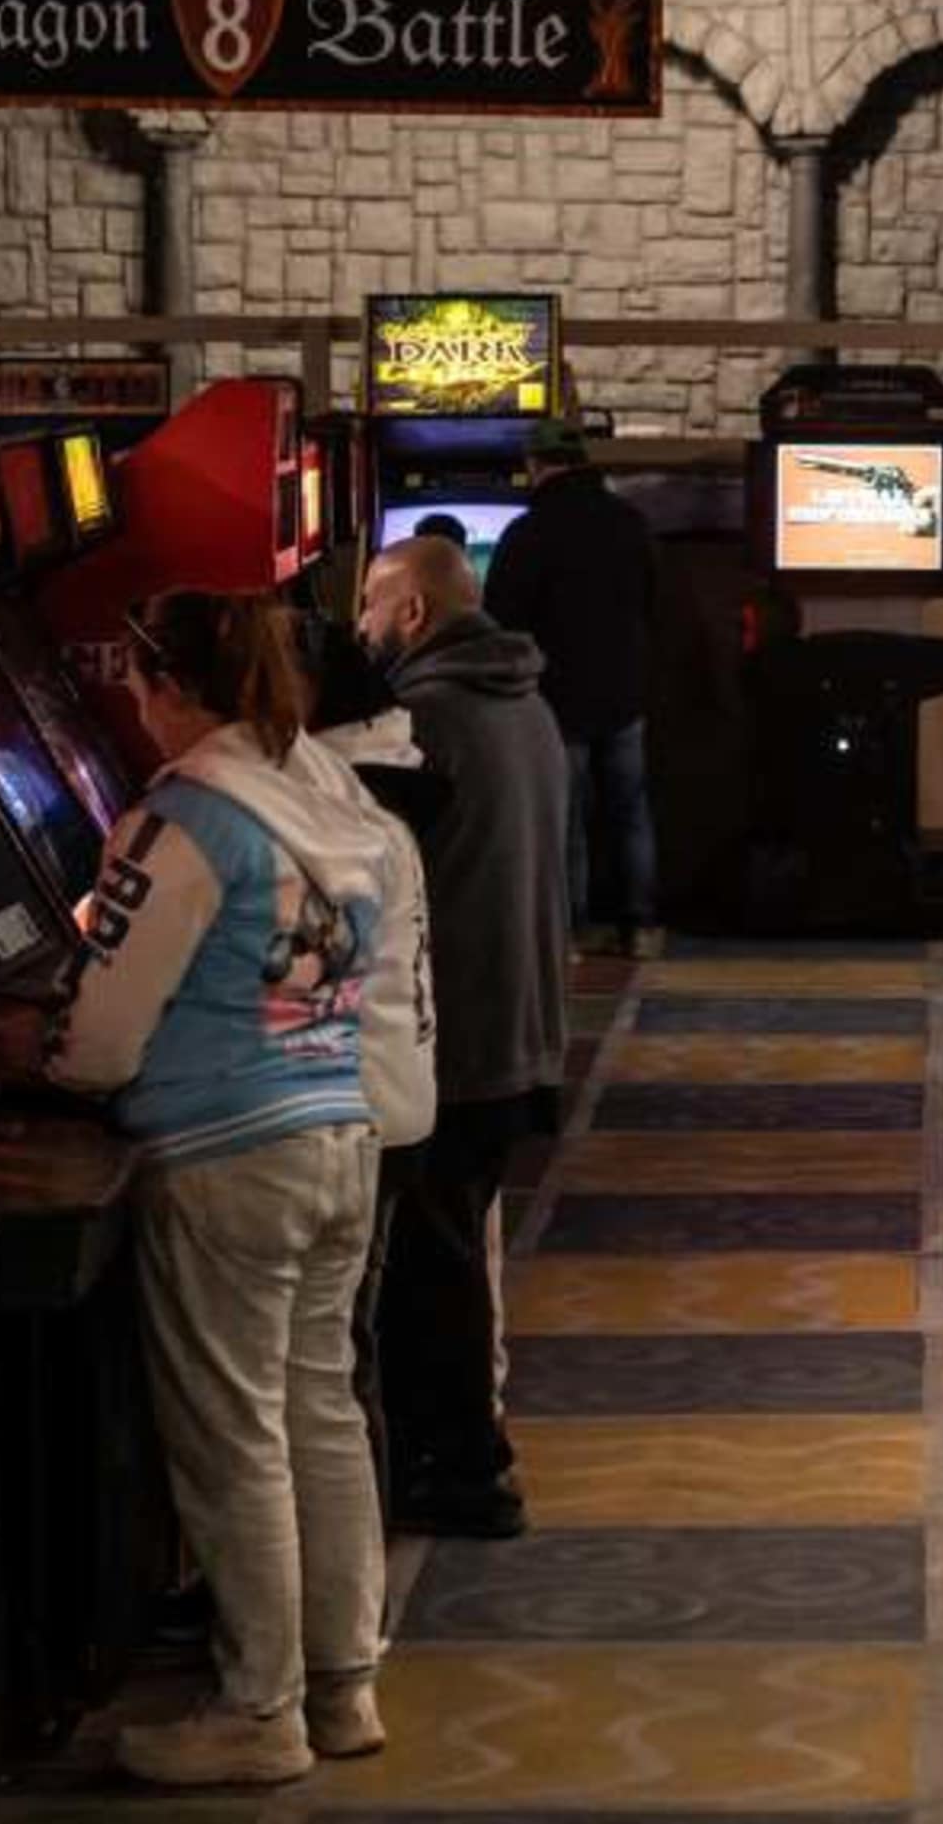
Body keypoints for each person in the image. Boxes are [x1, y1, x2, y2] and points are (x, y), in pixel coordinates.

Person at [50, 588, 430, 1789]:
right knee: (320, 1409)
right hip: (337, 1135)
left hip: (224, 1149)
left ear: (170, 688)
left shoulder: (186, 819)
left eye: (142, 684)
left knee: (235, 1436)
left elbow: (104, 1037)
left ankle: (258, 1707)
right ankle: (342, 1680)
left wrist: (47, 1058)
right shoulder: (333, 804)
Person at [351, 534, 571, 1538]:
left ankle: (465, 1468)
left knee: (431, 1269)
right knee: (455, 1254)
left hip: (461, 1036)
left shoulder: (427, 718)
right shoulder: (521, 698)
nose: (358, 625)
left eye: (369, 602)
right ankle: (463, 1446)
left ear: (411, 613)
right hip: (517, 1023)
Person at [482, 417, 661, 954]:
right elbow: (651, 599)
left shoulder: (526, 532)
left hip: (556, 698)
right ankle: (643, 926)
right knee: (631, 811)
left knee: (566, 818)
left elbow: (499, 619)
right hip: (626, 691)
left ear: (534, 467)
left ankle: (571, 932)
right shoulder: (630, 521)